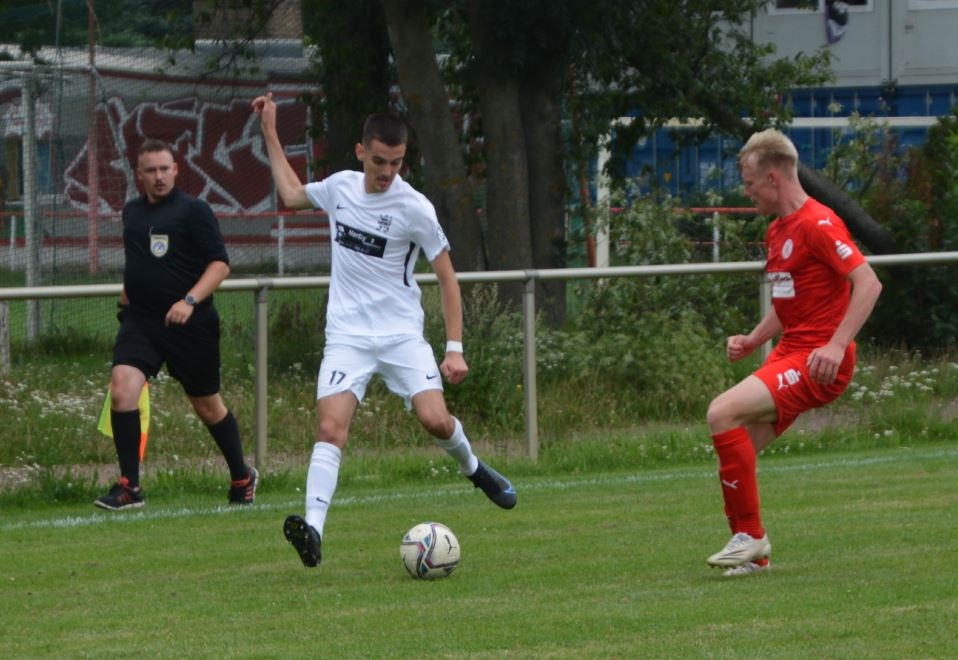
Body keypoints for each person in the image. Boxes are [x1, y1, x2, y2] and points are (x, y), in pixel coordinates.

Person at [251, 93, 516, 568]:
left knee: (436, 421)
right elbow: (291, 195)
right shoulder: (340, 188)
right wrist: (270, 130)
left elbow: (448, 278)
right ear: (360, 152)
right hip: (347, 338)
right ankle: (313, 530)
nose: (387, 171)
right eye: (379, 161)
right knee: (330, 429)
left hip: (401, 337)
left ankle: (474, 469)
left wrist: (454, 348)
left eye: (396, 163)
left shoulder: (415, 208)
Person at [705, 128, 882, 577]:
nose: (747, 193)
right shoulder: (778, 230)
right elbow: (789, 303)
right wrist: (753, 339)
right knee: (737, 450)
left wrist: (836, 345)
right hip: (789, 354)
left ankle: (750, 537)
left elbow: (868, 283)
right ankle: (755, 556)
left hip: (819, 363)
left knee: (721, 412)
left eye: (749, 184)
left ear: (773, 178)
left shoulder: (818, 223)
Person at [94, 138, 257, 510]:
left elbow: (220, 265)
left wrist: (189, 301)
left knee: (207, 407)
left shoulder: (194, 210)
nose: (159, 176)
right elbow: (137, 262)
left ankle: (242, 475)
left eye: (164, 169)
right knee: (122, 390)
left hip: (190, 325)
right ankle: (130, 487)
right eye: (151, 170)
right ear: (139, 174)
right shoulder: (132, 212)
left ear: (176, 170)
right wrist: (125, 301)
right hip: (141, 322)